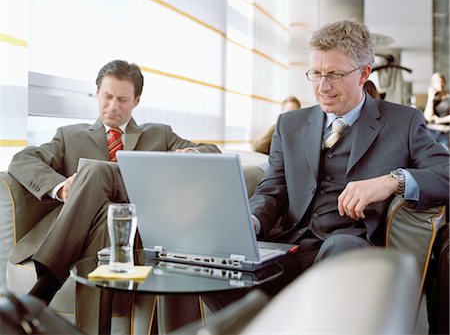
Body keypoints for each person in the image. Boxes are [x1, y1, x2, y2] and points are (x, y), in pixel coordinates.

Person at [204, 19, 449, 311]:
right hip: (289, 248)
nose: (323, 87)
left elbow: (445, 173)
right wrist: (252, 221)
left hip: (351, 246)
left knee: (339, 248)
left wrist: (392, 180)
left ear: (363, 74)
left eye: (334, 74)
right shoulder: (289, 124)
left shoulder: (403, 122)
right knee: (214, 265)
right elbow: (272, 191)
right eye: (316, 74)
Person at [7, 59, 220, 332]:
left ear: (137, 100)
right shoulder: (69, 136)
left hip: (137, 230)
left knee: (97, 172)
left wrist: (191, 155)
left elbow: (211, 152)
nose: (113, 106)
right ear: (97, 93)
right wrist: (61, 188)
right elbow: (23, 160)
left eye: (122, 99)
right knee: (103, 211)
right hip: (89, 232)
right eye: (107, 97)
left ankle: (43, 289)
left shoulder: (160, 134)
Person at [424, 72, 449, 148]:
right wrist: (430, 97)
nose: (440, 84)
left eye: (441, 81)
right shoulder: (432, 97)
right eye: (437, 82)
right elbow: (428, 117)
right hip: (431, 132)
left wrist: (439, 120)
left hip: (445, 133)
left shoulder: (448, 96)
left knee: (445, 156)